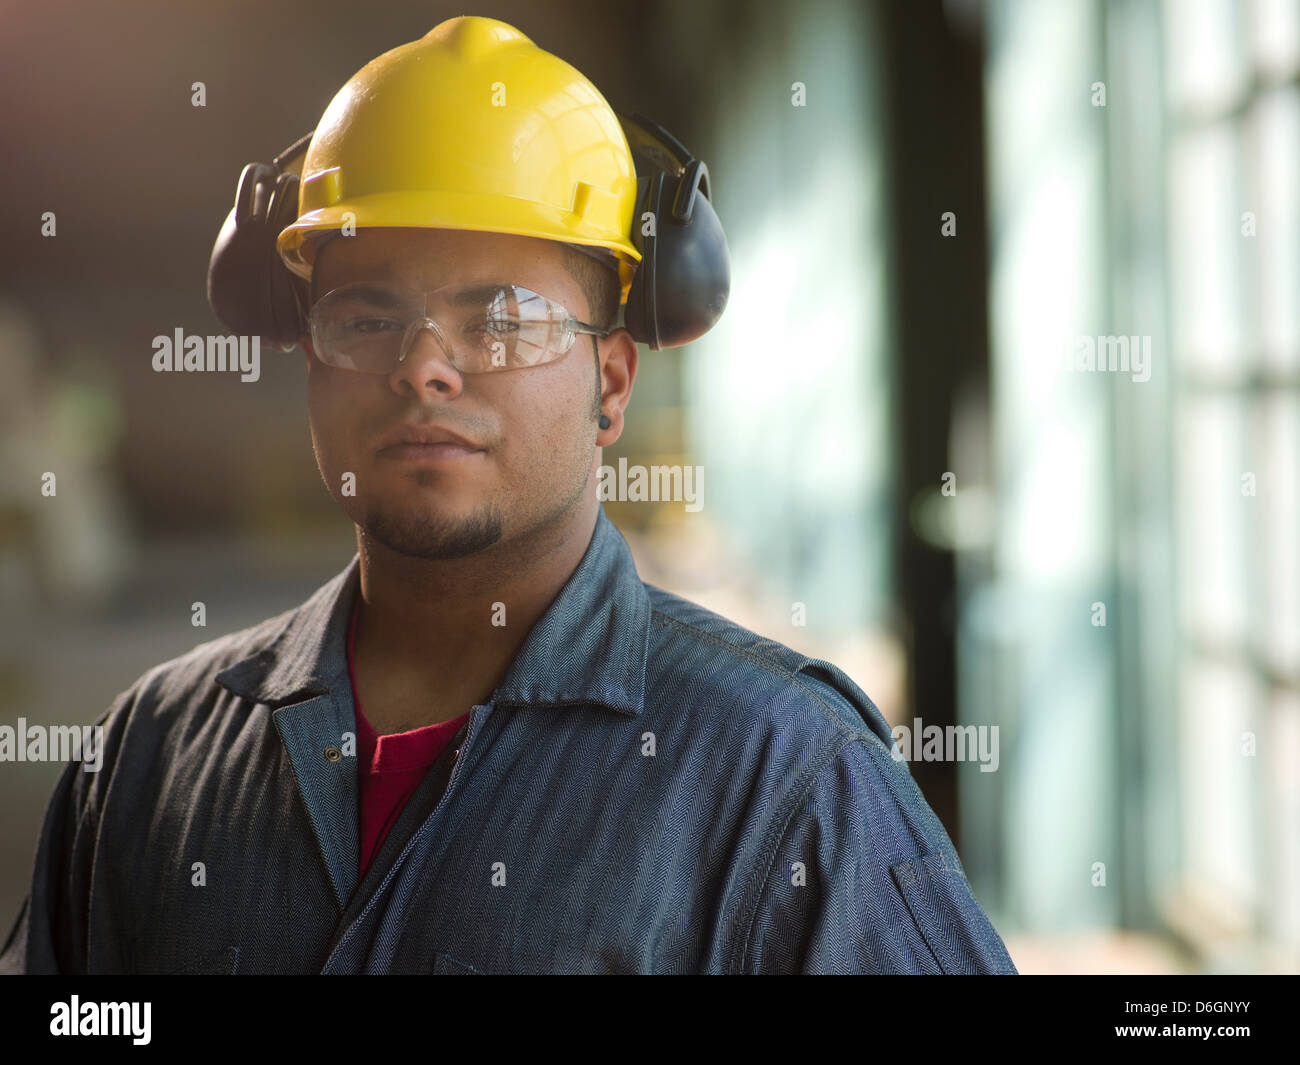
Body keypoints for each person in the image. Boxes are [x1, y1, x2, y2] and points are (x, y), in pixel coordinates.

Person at [0, 15, 1016, 975]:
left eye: (502, 318)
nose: (424, 368)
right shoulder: (148, 760)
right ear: (308, 357)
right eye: (365, 315)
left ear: (610, 384)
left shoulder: (786, 780)